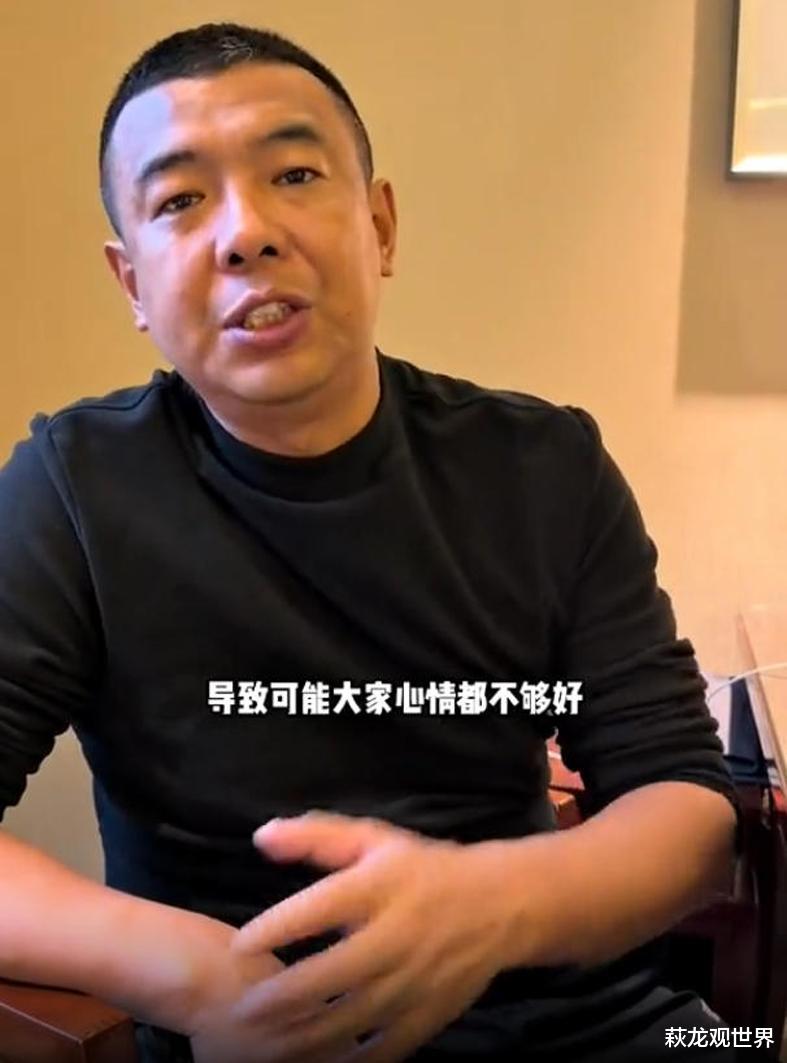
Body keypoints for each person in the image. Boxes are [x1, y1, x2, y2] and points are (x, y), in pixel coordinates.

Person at [0, 20, 768, 1063]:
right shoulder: (76, 487)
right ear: (132, 284)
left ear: (380, 227)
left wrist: (493, 901)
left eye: (293, 173)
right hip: (265, 1036)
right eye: (180, 199)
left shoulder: (542, 464)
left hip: (585, 1023)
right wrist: (196, 973)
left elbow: (687, 810)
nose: (245, 232)